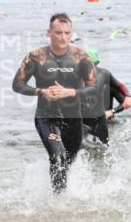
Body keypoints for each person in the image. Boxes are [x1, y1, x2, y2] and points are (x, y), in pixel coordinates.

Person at [11, 13, 97, 193]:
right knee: (57, 158)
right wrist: (40, 91)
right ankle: (59, 203)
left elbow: (94, 88)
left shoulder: (81, 56)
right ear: (48, 32)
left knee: (68, 163)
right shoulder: (35, 56)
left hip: (73, 117)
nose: (63, 37)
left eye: (67, 33)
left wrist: (69, 92)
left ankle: (60, 196)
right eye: (58, 33)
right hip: (46, 117)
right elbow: (17, 84)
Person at [81, 49, 131, 144]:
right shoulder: (78, 82)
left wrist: (112, 112)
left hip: (107, 122)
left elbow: (126, 102)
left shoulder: (108, 83)